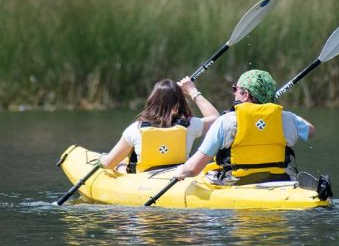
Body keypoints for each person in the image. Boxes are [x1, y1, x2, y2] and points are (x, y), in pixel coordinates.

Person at [174, 69, 315, 185]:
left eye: (236, 89)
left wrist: (180, 171)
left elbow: (193, 169)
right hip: (280, 180)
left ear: (245, 94)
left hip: (237, 182)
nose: (234, 93)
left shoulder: (225, 122)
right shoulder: (288, 118)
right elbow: (310, 131)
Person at [99, 76, 219, 173]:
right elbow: (215, 119)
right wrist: (192, 91)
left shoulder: (135, 129)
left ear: (152, 101)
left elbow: (108, 164)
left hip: (145, 183)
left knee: (122, 164)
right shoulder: (190, 125)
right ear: (178, 104)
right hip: (178, 177)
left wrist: (103, 160)